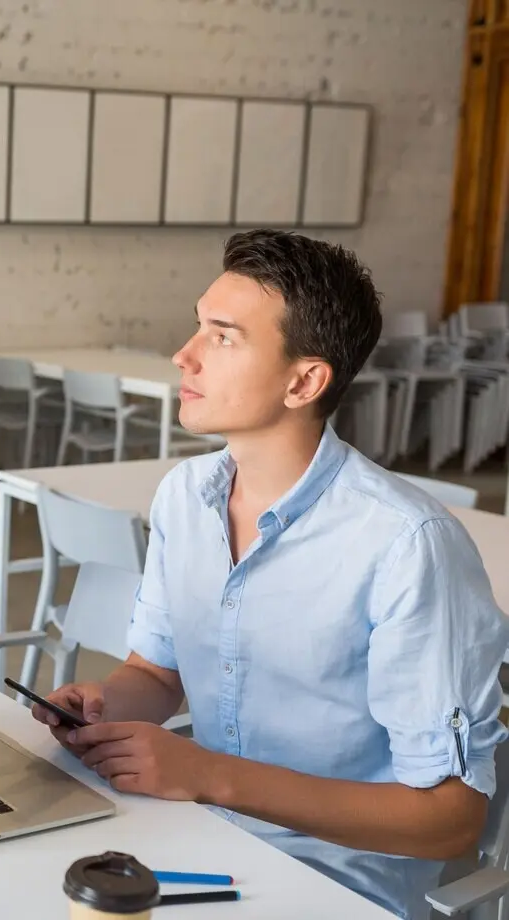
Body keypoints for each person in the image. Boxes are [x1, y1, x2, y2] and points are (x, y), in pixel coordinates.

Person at [35, 229, 508, 919]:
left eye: (222, 337)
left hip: (334, 881)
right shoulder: (184, 496)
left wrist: (211, 776)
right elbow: (158, 674)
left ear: (304, 380)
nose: (184, 354)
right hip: (193, 834)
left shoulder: (409, 546)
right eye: (198, 326)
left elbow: (452, 819)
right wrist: (107, 707)